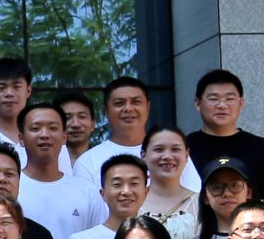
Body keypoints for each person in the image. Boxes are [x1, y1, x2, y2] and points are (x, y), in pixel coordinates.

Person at [72, 77, 201, 193]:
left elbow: (194, 199)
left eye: (136, 102)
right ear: (106, 111)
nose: (128, 108)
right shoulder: (88, 162)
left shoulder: (173, 155)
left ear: (148, 107)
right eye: (119, 103)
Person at [184, 68, 264, 201]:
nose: (222, 105)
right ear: (198, 103)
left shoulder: (261, 148)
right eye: (213, 99)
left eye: (229, 99)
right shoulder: (184, 148)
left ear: (241, 103)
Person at [0, 58, 63, 169]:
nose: (9, 93)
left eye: (16, 87)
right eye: (1, 88)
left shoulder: (51, 138)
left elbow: (65, 178)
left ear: (28, 90)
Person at [59, 154, 149, 239]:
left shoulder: (156, 238)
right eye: (117, 184)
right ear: (102, 193)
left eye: (134, 183)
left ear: (146, 191)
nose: (126, 191)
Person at [138, 125, 201, 239]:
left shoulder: (201, 203)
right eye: (158, 149)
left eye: (175, 149)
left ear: (186, 155)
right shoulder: (132, 202)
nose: (167, 156)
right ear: (143, 155)